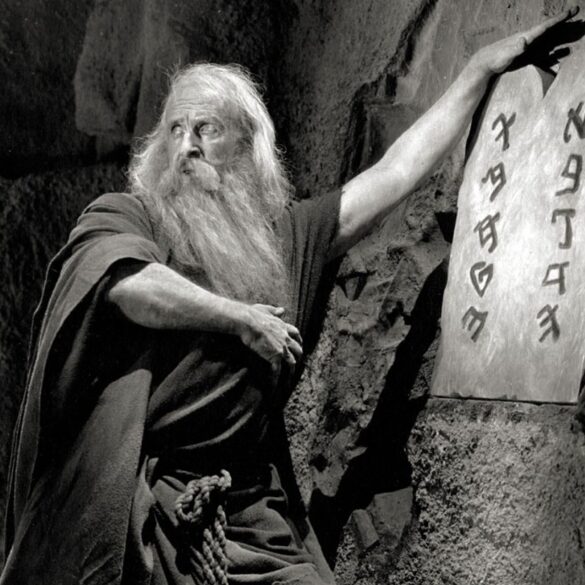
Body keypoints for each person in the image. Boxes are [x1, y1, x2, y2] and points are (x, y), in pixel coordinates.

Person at [1, 9, 578, 585]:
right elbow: (128, 284)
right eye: (175, 130)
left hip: (247, 508)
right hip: (147, 511)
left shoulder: (286, 239)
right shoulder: (129, 216)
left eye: (206, 129)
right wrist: (240, 318)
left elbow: (397, 173)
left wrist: (478, 70)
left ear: (247, 144)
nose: (187, 147)